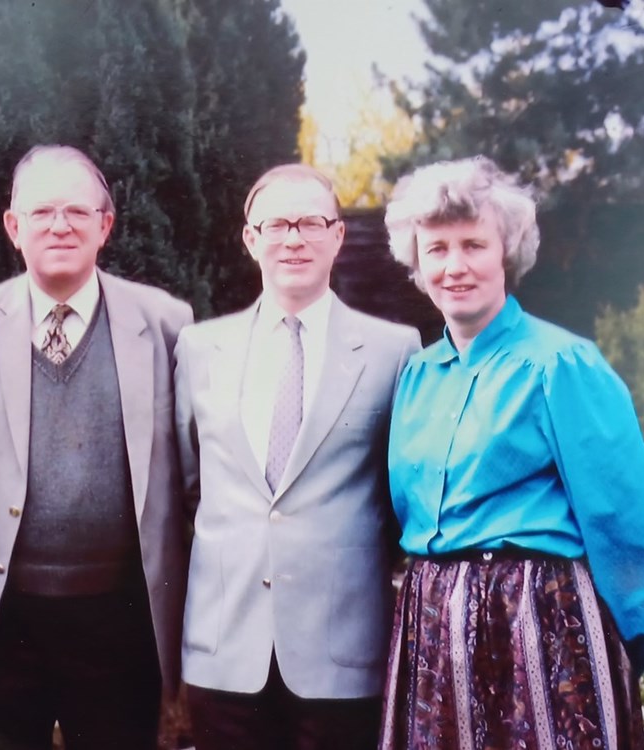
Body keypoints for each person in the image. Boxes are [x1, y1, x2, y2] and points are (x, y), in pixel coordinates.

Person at [0, 144, 193, 749]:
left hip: (119, 620)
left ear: (105, 225)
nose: (59, 224)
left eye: (77, 211)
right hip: (0, 622)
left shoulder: (164, 323)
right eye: (42, 210)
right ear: (13, 226)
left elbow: (189, 472)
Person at [380, 156, 644, 749]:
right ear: (417, 263)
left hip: (541, 622)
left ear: (508, 252)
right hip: (432, 622)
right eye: (437, 248)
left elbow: (623, 514)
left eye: (473, 244)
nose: (455, 266)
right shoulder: (417, 375)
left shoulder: (560, 363)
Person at [173, 163, 421, 750]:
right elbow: (187, 487)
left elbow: (398, 492)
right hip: (225, 646)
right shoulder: (200, 348)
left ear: (338, 236)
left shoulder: (393, 351)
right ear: (250, 238)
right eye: (277, 224)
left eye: (311, 222)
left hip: (342, 650)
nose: (294, 238)